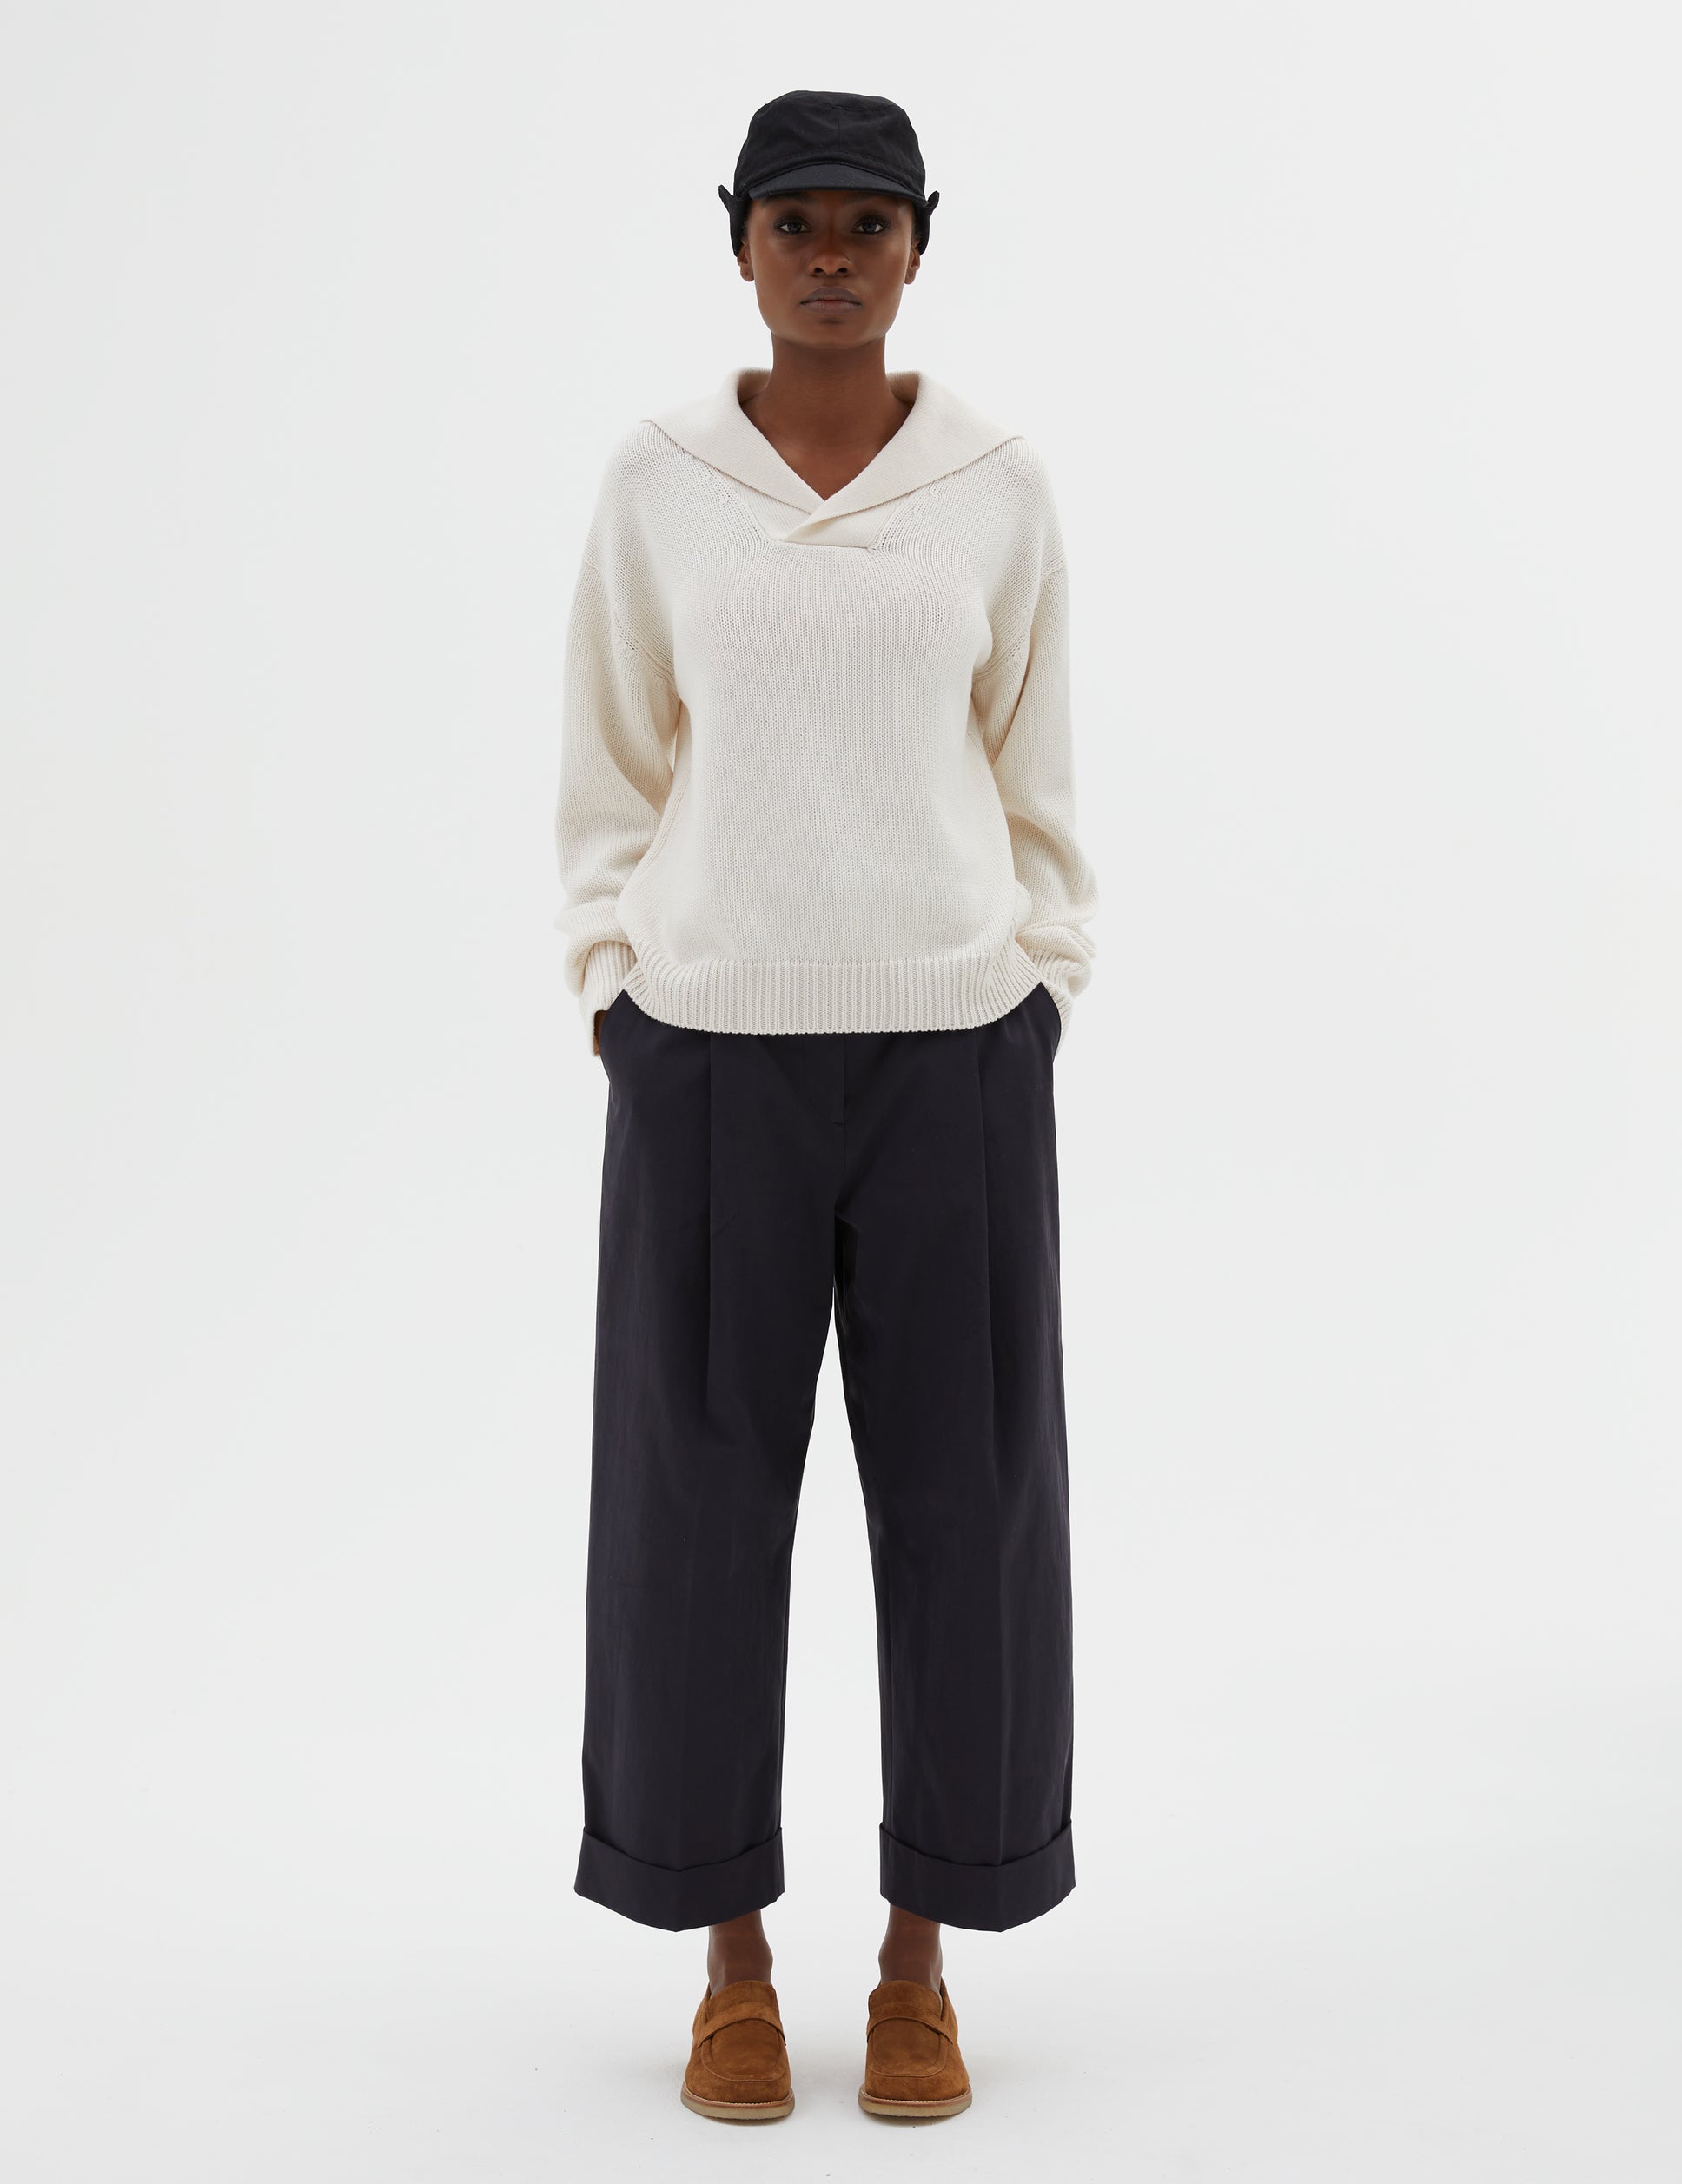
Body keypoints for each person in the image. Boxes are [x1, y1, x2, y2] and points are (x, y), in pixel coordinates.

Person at [553, 88, 1100, 2125]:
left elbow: (1038, 774)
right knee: (694, 1516)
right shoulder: (658, 483)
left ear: (919, 242)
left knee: (969, 1508)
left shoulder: (997, 490)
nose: (833, 256)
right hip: (708, 1062)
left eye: (869, 222)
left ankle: (917, 1965)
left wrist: (1037, 989)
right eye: (796, 222)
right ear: (742, 243)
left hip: (955, 1059)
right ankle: (730, 1966)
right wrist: (616, 989)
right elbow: (610, 765)